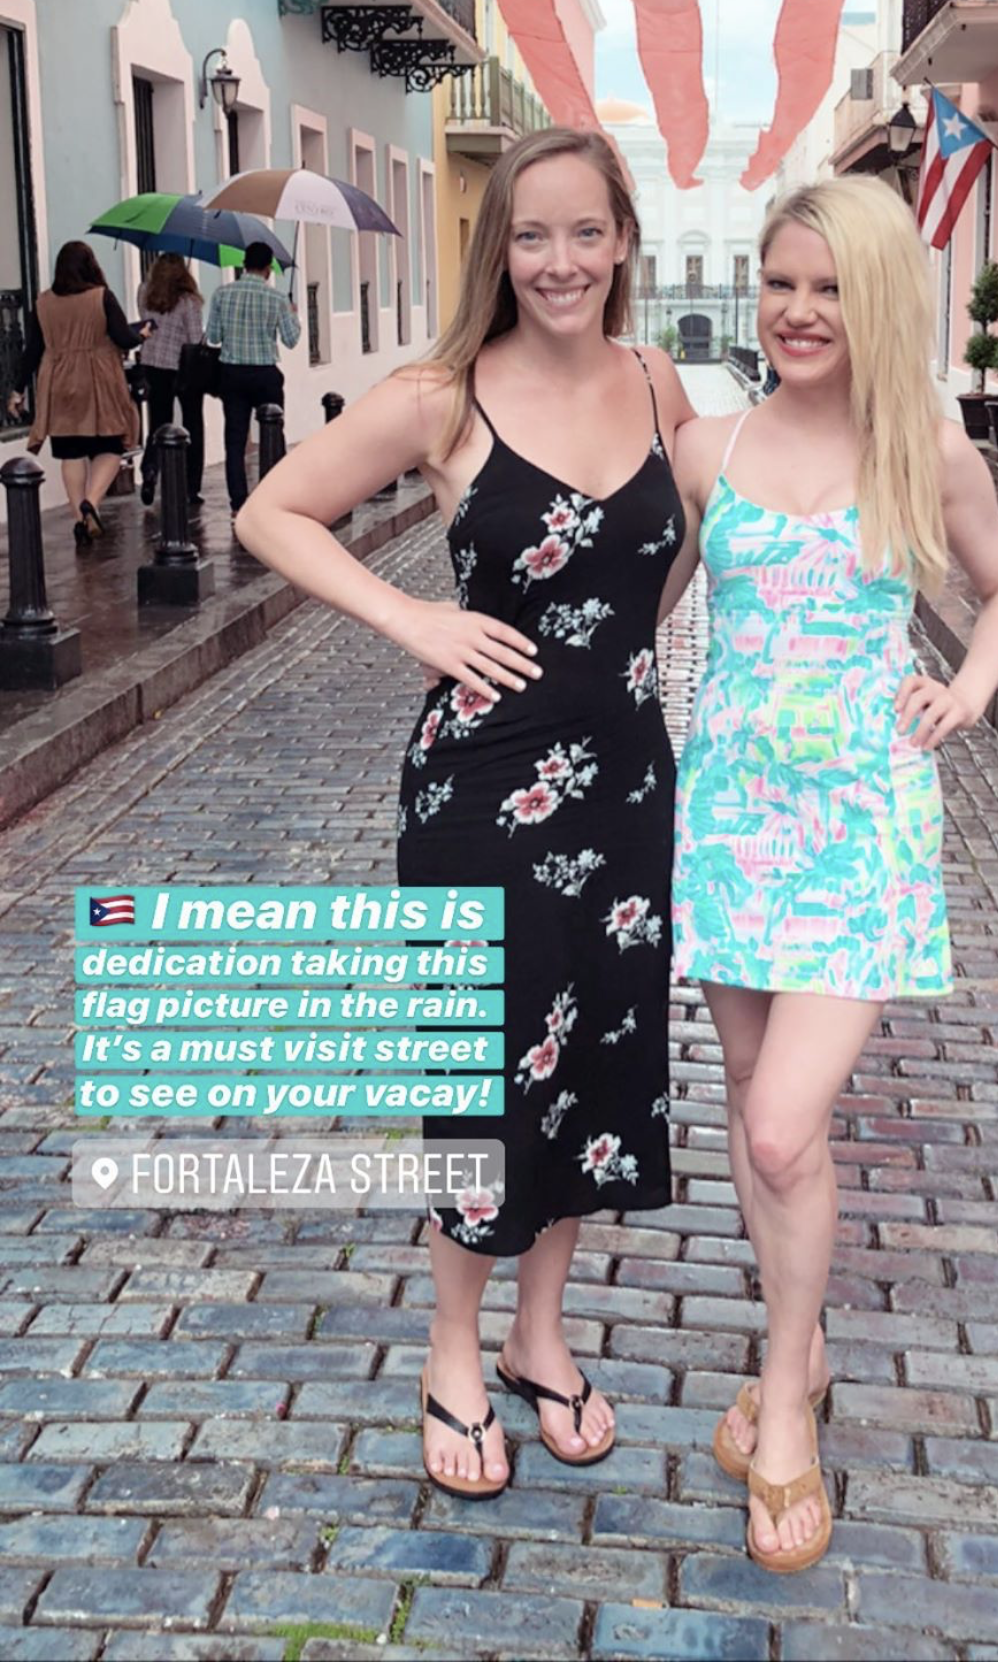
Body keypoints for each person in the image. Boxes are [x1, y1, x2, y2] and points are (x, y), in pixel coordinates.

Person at [234, 126, 694, 1499]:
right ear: (500, 248)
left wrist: (615, 666)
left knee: (597, 1072)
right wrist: (413, 620)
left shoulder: (656, 382)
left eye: (585, 233)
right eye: (532, 235)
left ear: (621, 242)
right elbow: (274, 513)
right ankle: (451, 1350)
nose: (559, 261)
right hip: (480, 790)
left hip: (623, 784)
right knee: (488, 1070)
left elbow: (660, 573)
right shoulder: (440, 395)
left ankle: (540, 1339)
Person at [665, 177, 998, 1574]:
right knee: (765, 1123)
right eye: (778, 282)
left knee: (775, 1129)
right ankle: (798, 1347)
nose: (797, 310)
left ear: (873, 297)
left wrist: (972, 693)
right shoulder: (709, 448)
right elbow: (641, 616)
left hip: (861, 832)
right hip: (728, 818)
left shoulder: (927, 450)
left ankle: (783, 1411)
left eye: (826, 287)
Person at [7, 240, 150, 545]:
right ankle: (92, 502)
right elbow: (124, 338)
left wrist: (17, 390)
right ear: (90, 265)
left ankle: (79, 518)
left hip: (58, 382)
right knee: (111, 446)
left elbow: (32, 351)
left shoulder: (43, 303)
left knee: (70, 451)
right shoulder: (101, 297)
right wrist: (143, 334)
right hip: (98, 381)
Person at [204, 243, 300, 517]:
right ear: (268, 269)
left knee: (234, 440)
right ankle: (275, 496)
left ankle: (238, 505)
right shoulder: (277, 299)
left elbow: (213, 336)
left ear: (244, 264)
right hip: (265, 373)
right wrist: (292, 314)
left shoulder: (222, 294)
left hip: (231, 374)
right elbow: (291, 340)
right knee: (273, 434)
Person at [136, 254, 206, 508]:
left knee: (158, 422)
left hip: (153, 365)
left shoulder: (144, 293)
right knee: (193, 424)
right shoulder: (189, 302)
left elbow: (146, 325)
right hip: (183, 368)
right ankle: (191, 486)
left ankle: (151, 468)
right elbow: (195, 339)